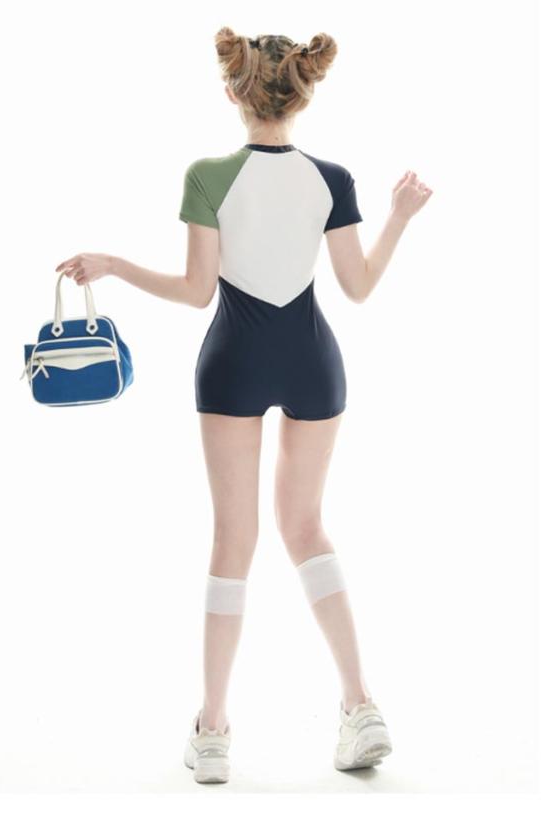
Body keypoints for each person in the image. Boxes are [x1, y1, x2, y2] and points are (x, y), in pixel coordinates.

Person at [55, 28, 432, 785]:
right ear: (303, 94)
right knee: (307, 529)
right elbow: (358, 288)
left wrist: (115, 265)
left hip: (232, 363)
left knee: (234, 540)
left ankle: (214, 733)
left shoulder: (207, 176)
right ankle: (361, 707)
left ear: (233, 91)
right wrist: (398, 218)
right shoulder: (333, 178)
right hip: (315, 365)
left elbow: (198, 292)